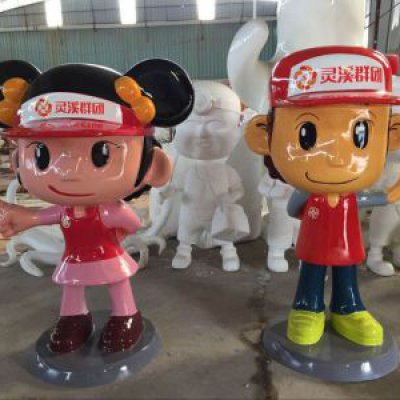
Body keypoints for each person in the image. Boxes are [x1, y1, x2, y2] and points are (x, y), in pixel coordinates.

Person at [0, 59, 193, 353]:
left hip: (108, 256)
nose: (68, 171)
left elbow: (132, 224)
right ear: (17, 162)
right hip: (74, 257)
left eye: (101, 153)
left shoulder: (107, 210)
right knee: (72, 286)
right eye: (41, 154)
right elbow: (45, 216)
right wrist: (24, 217)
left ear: (153, 166)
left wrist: (116, 236)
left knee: (117, 284)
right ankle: (73, 319)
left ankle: (126, 316)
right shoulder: (67, 211)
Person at [245, 46, 400, 346]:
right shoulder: (310, 193)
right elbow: (293, 208)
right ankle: (307, 307)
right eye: (307, 136)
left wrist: (388, 196)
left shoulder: (348, 197)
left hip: (347, 245)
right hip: (314, 245)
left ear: (392, 134)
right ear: (264, 137)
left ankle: (349, 308)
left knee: (347, 275)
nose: (336, 157)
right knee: (311, 274)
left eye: (360, 134)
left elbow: (300, 209)